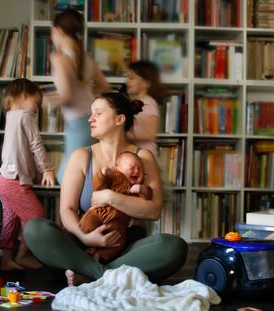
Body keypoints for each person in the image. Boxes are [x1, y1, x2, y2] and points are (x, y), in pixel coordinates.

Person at [24, 92, 188, 286]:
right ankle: (105, 275)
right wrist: (86, 237)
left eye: (98, 113)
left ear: (120, 119)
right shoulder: (81, 156)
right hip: (81, 247)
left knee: (174, 246)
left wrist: (109, 197)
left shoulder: (143, 157)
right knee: (35, 229)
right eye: (91, 114)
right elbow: (66, 210)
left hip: (124, 249)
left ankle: (89, 274)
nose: (90, 119)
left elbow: (153, 211)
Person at [0, 78, 56, 271]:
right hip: (14, 181)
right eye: (36, 103)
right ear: (24, 96)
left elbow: (20, 150)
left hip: (3, 181)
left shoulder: (11, 115)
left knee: (10, 222)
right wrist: (46, 168)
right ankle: (24, 254)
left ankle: (6, 260)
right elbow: (35, 143)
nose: (37, 109)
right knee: (36, 215)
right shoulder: (25, 115)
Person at [51, 9, 110, 182]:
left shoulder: (59, 59)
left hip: (77, 124)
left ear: (59, 30)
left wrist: (47, 100)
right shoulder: (87, 59)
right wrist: (90, 98)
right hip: (92, 121)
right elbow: (105, 87)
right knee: (88, 174)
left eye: (52, 32)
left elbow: (68, 97)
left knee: (69, 178)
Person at [79, 151, 153, 263]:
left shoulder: (137, 187)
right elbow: (98, 186)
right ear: (118, 169)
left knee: (118, 242)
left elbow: (148, 197)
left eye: (140, 169)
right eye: (132, 167)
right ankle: (89, 246)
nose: (137, 171)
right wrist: (102, 174)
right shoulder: (115, 177)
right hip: (99, 212)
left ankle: (99, 256)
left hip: (118, 222)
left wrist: (143, 189)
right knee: (87, 223)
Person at [125, 60, 166, 157]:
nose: (127, 82)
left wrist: (124, 135)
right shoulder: (133, 103)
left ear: (146, 83)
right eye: (127, 78)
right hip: (135, 154)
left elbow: (149, 134)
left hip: (146, 156)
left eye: (131, 78)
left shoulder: (149, 104)